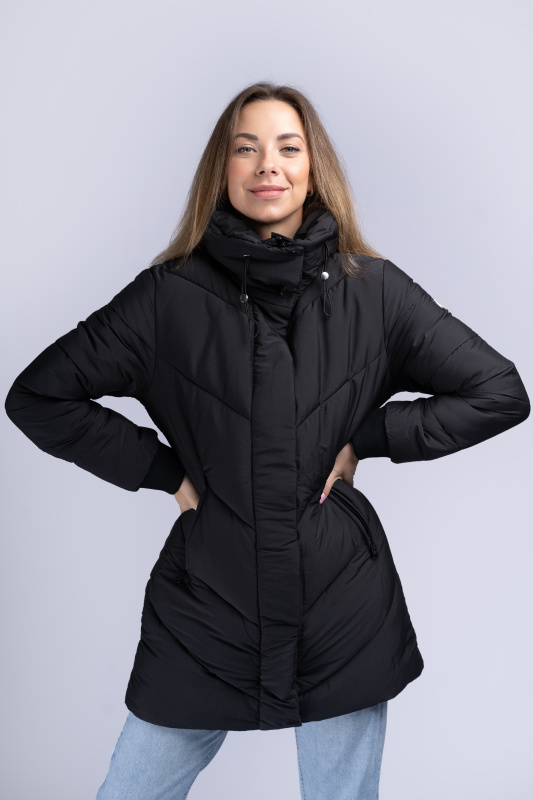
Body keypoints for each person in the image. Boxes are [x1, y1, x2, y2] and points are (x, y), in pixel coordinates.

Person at [4, 81, 530, 800]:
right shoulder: (166, 298)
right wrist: (163, 472)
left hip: (341, 605)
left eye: (288, 147)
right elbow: (38, 395)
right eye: (245, 148)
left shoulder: (374, 292)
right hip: (206, 607)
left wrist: (369, 436)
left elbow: (499, 391)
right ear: (220, 170)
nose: (267, 166)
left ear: (315, 168)